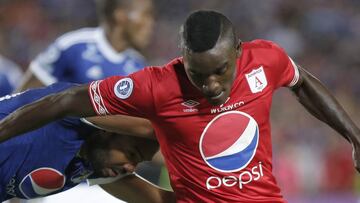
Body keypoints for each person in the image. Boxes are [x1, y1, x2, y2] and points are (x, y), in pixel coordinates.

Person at [1, 10, 359, 202]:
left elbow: (302, 82)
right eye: (197, 74)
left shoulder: (265, 60)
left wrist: (354, 137)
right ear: (182, 58)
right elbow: (64, 100)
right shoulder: (155, 86)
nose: (211, 85)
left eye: (220, 71)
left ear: (239, 52)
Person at [0, 82, 173, 202]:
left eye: (137, 162)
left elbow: (158, 200)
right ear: (109, 130)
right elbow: (149, 125)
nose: (131, 168)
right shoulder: (70, 113)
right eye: (132, 154)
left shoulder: (95, 162)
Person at [17, 0, 154, 91]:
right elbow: (21, 98)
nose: (151, 23)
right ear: (120, 15)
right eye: (146, 15)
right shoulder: (73, 46)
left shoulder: (138, 66)